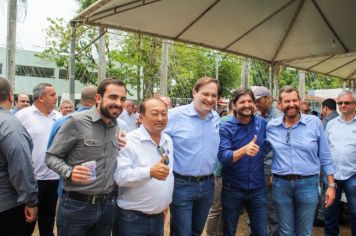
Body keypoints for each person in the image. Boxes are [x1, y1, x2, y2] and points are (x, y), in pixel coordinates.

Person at [45, 78, 127, 236]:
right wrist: (69, 172)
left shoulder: (117, 126)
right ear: (98, 98)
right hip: (76, 207)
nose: (118, 103)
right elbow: (51, 157)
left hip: (107, 207)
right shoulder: (76, 122)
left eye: (122, 99)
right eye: (113, 97)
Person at [266, 85, 336, 235]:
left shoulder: (314, 123)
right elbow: (265, 152)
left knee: (304, 232)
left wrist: (331, 185)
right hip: (281, 185)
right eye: (286, 101)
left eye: (294, 100)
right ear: (279, 104)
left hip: (308, 184)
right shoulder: (271, 126)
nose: (291, 104)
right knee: (285, 231)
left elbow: (324, 155)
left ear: (300, 101)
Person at [165, 77, 220, 236]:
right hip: (182, 184)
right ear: (194, 92)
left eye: (214, 95)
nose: (209, 99)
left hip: (208, 183)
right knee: (182, 232)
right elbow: (155, 138)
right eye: (205, 94)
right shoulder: (174, 115)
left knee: (197, 231)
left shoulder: (215, 118)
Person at [114, 98, 174, 236]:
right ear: (141, 117)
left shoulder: (167, 140)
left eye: (164, 114)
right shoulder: (128, 141)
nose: (160, 118)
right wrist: (149, 172)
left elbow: (168, 173)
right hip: (132, 219)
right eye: (154, 113)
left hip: (158, 217)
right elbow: (120, 177)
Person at [218, 88, 268, 236]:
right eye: (242, 102)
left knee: (261, 232)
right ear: (234, 105)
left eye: (250, 101)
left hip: (258, 188)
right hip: (233, 188)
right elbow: (223, 157)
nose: (247, 105)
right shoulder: (226, 127)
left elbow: (270, 145)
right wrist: (243, 150)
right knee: (229, 231)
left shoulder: (262, 124)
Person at [15, 83, 61, 236]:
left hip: (54, 178)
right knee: (27, 221)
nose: (56, 97)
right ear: (41, 97)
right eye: (52, 94)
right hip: (32, 179)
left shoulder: (58, 116)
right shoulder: (23, 116)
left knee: (48, 221)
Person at [0, 77, 38, 236]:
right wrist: (31, 201)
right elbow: (21, 167)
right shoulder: (10, 125)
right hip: (8, 207)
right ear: (10, 96)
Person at [324, 90, 356, 236]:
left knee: (355, 212)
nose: (343, 105)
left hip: (353, 175)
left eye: (346, 102)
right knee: (330, 212)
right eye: (340, 103)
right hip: (332, 176)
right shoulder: (331, 124)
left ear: (354, 105)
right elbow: (324, 149)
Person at [252, 86, 281, 236]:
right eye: (254, 101)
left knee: (271, 206)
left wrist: (275, 171)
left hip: (270, 168)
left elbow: (281, 148)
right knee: (255, 203)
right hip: (255, 168)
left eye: (258, 100)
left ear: (268, 99)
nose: (255, 103)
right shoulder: (255, 116)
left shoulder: (278, 118)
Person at [205, 100, 234, 236]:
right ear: (234, 106)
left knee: (223, 208)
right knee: (216, 208)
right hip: (219, 172)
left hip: (228, 173)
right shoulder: (225, 121)